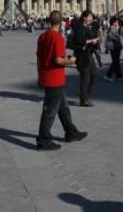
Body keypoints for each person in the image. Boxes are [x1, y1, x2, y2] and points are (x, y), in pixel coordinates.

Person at [35, 10, 87, 151]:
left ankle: (71, 132)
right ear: (61, 22)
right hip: (55, 79)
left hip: (46, 76)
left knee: (63, 107)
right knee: (50, 111)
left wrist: (40, 75)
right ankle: (43, 139)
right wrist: (71, 61)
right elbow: (58, 60)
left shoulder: (42, 37)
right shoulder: (57, 38)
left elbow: (39, 58)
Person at [69, 10, 99, 107]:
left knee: (94, 74)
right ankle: (84, 99)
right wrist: (91, 41)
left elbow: (93, 37)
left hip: (89, 54)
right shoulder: (79, 28)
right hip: (81, 55)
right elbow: (79, 41)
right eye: (90, 17)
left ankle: (86, 95)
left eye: (92, 17)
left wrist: (96, 42)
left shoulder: (89, 28)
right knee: (85, 77)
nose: (92, 19)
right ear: (84, 17)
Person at [104, 17, 123, 81]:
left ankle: (119, 75)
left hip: (115, 46)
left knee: (116, 61)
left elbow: (121, 34)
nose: (117, 23)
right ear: (114, 22)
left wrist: (118, 29)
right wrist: (117, 35)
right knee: (115, 61)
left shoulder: (114, 28)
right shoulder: (112, 28)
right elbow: (112, 36)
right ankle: (108, 75)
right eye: (116, 22)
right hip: (114, 46)